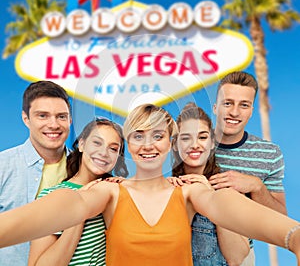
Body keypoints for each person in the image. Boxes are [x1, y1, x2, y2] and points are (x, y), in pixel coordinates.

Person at [0, 104, 300, 266]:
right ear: (127, 145)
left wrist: (292, 236)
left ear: (170, 144)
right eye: (138, 135)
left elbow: (224, 204)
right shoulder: (111, 191)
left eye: (157, 136)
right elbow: (70, 203)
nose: (148, 144)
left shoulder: (188, 192)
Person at [28, 118, 128, 266]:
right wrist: (79, 211)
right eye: (97, 143)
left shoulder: (118, 194)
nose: (104, 152)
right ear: (81, 144)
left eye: (113, 149)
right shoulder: (51, 197)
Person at [210, 71, 286, 263]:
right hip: (187, 252)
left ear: (252, 110)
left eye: (244, 105)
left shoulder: (269, 154)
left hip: (240, 256)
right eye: (228, 103)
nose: (234, 112)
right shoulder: (189, 146)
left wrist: (256, 186)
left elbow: (280, 219)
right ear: (215, 107)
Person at [0, 80, 72, 266]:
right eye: (43, 116)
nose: (53, 124)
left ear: (70, 120)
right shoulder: (3, 166)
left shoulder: (86, 169)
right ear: (26, 119)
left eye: (61, 116)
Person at [171, 102, 249, 266]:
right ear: (175, 145)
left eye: (202, 137)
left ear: (212, 143)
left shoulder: (228, 189)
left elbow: (236, 258)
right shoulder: (167, 187)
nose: (195, 145)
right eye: (186, 138)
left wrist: (214, 199)